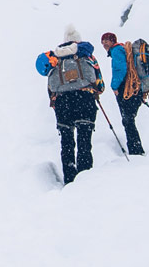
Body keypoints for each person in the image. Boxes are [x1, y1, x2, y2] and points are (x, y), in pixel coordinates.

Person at [36, 28, 103, 184]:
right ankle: (85, 176)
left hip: (63, 103)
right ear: (78, 40)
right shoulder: (86, 54)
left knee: (66, 142)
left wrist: (55, 103)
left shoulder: (55, 58)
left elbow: (50, 85)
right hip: (84, 99)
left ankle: (69, 177)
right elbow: (99, 81)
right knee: (84, 140)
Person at [101, 31, 147, 156]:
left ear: (112, 41)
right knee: (129, 120)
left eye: (106, 41)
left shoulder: (116, 51)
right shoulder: (123, 50)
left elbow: (120, 69)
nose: (104, 44)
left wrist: (114, 86)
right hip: (134, 89)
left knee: (128, 120)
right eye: (103, 42)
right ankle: (135, 148)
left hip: (126, 90)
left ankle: (136, 150)